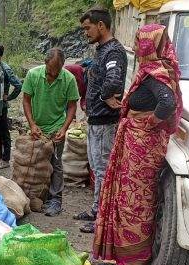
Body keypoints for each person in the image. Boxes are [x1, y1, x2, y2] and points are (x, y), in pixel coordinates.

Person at [93, 24, 182, 265]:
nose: (134, 45)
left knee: (135, 202)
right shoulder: (153, 71)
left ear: (148, 44)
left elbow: (167, 102)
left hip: (142, 145)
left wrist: (149, 123)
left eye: (137, 40)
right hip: (137, 142)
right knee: (130, 198)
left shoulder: (156, 73)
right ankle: (127, 258)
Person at [78, 8, 128, 232]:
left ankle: (101, 218)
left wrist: (103, 97)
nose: (85, 33)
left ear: (101, 25)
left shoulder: (114, 52)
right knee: (97, 168)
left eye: (87, 28)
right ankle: (95, 210)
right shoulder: (102, 50)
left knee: (102, 170)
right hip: (96, 120)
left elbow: (114, 82)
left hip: (106, 122)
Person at [21, 48, 80, 217]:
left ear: (63, 65)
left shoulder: (68, 79)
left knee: (56, 163)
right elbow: (26, 100)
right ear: (45, 63)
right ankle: (37, 194)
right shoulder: (33, 75)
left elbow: (71, 106)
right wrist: (32, 124)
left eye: (57, 70)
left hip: (56, 127)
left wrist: (64, 128)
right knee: (34, 161)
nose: (53, 73)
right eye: (50, 69)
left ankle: (56, 199)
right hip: (37, 127)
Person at [0, 44, 22, 170]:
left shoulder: (5, 69)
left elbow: (18, 85)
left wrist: (8, 97)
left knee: (4, 131)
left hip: (1, 105)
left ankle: (6, 158)